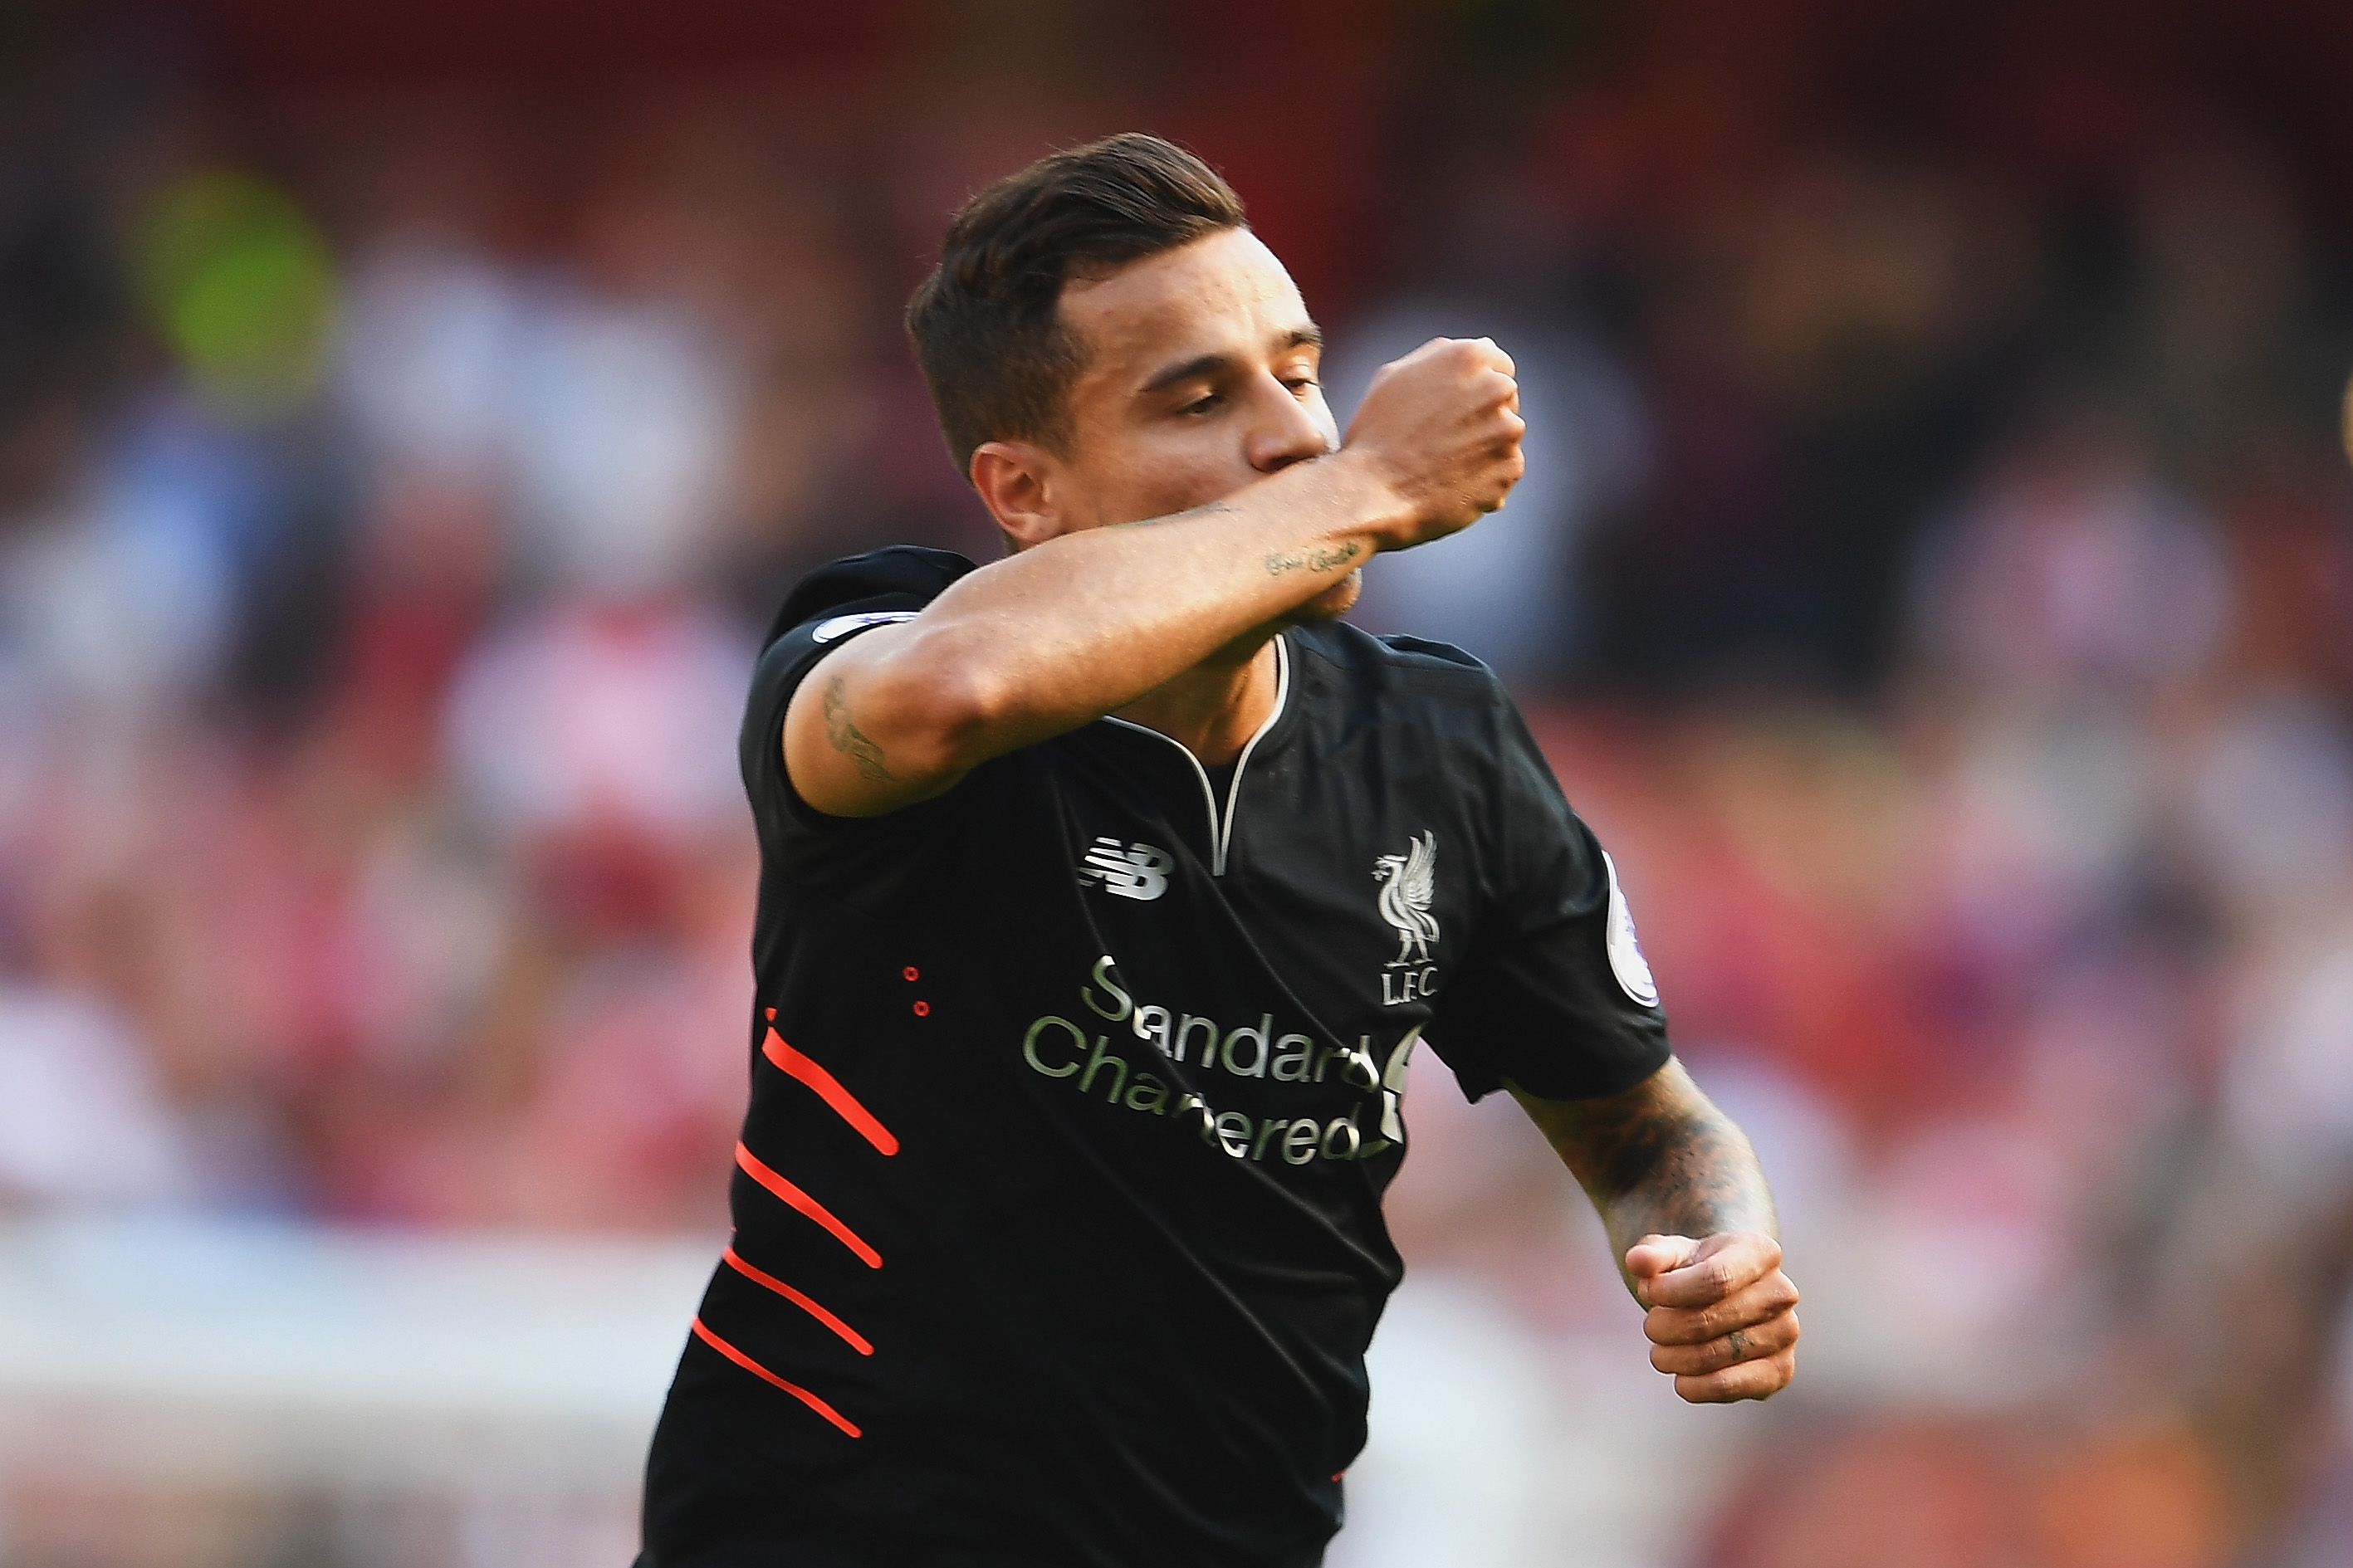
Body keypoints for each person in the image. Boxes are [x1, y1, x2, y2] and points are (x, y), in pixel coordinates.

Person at [637, 134, 1798, 1568]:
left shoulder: (1437, 745)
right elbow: (954, 691)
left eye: (1299, 373)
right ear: (1023, 492)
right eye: (1197, 398)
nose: (1295, 434)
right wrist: (1368, 488)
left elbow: (1644, 1124)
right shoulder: (884, 646)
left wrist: (1714, 1242)